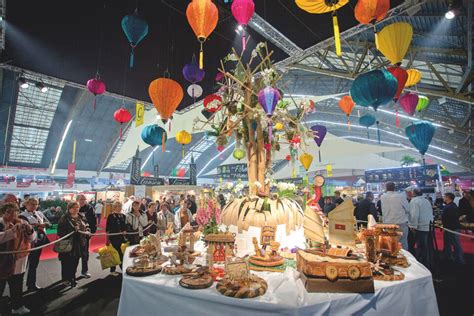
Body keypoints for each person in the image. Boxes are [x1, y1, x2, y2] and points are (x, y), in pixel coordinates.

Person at [0, 202, 36, 315]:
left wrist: (30, 230)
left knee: (17, 284)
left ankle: (17, 306)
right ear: (3, 212)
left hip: (20, 259)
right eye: (9, 212)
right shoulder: (1, 223)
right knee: (1, 285)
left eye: (15, 212)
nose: (12, 214)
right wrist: (12, 231)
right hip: (3, 261)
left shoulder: (22, 221)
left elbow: (31, 238)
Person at [19, 198, 51, 292]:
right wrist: (37, 226)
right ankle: (18, 288)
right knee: (23, 267)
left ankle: (31, 285)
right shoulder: (22, 215)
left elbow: (49, 223)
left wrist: (44, 224)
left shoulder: (39, 213)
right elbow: (23, 229)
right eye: (32, 204)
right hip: (27, 244)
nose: (34, 206)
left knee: (34, 264)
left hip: (39, 241)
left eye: (36, 204)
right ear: (26, 204)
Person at [57, 202, 91, 288]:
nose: (76, 209)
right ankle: (65, 279)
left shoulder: (81, 216)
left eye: (78, 207)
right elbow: (60, 232)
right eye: (74, 207)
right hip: (68, 244)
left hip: (80, 243)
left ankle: (72, 277)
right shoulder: (64, 218)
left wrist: (87, 230)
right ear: (69, 208)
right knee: (66, 262)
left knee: (75, 261)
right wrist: (72, 231)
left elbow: (87, 225)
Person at [408, 188, 434, 267]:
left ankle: (421, 263)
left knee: (420, 246)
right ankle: (428, 261)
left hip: (420, 226)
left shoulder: (414, 201)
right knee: (428, 245)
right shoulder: (426, 200)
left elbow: (415, 214)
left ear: (414, 193)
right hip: (428, 225)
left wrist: (413, 226)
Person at [381, 182, 410, 250]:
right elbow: (408, 209)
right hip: (400, 223)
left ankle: (392, 259)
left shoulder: (382, 197)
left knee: (390, 243)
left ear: (386, 188)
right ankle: (403, 259)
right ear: (394, 188)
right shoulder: (400, 196)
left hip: (388, 224)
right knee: (402, 243)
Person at [441, 193, 465, 264]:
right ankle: (449, 257)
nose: (443, 198)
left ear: (448, 197)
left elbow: (450, 218)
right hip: (450, 228)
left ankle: (460, 259)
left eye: (444, 196)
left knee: (456, 244)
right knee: (448, 244)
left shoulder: (450, 207)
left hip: (451, 228)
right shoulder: (452, 205)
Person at [77, 195, 96, 279]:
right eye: (81, 199)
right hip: (75, 235)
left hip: (86, 234)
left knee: (85, 253)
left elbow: (93, 220)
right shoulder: (75, 207)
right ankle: (72, 274)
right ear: (78, 200)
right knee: (75, 254)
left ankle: (84, 271)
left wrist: (92, 231)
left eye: (84, 199)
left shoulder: (89, 208)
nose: (82, 201)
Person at [105, 202, 127, 276]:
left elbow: (125, 226)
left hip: (121, 238)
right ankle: (121, 269)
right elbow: (107, 228)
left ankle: (115, 269)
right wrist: (107, 239)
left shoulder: (123, 216)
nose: (119, 207)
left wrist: (125, 231)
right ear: (114, 207)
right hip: (113, 238)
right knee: (117, 253)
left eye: (120, 206)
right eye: (117, 206)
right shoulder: (111, 216)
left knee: (117, 253)